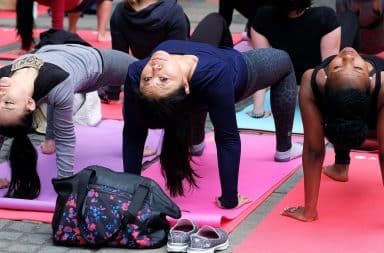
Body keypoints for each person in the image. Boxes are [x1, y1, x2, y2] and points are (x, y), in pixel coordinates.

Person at [122, 31, 302, 208]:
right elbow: (227, 139)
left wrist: (129, 191)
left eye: (148, 79)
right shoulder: (216, 72)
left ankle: (196, 143)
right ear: (185, 86)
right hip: (235, 73)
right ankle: (284, 149)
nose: (155, 69)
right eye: (162, 79)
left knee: (217, 22)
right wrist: (230, 199)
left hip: (204, 81)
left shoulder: (136, 73)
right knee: (284, 60)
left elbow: (132, 132)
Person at [0, 44, 136, 199]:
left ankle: (50, 139)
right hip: (96, 65)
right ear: (30, 103)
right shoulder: (57, 83)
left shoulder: (3, 81)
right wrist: (65, 186)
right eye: (8, 103)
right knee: (142, 72)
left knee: (56, 94)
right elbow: (65, 138)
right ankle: (136, 142)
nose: (2, 96)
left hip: (61, 54)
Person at [281, 47, 384, 221]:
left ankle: (350, 154)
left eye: (358, 68)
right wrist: (309, 211)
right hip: (335, 114)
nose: (347, 57)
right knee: (341, 118)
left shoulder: (382, 84)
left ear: (371, 79)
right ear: (325, 78)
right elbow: (314, 150)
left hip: (374, 113)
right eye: (337, 67)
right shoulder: (312, 80)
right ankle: (340, 166)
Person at [246, 0, 341, 118]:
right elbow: (328, 69)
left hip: (285, 83)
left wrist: (258, 109)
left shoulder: (263, 16)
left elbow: (261, 66)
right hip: (311, 83)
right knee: (350, 19)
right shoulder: (325, 16)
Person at [101, 0, 190, 102]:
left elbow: (119, 57)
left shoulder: (120, 12)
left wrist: (113, 92)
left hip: (145, 77)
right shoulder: (174, 11)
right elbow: (178, 57)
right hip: (170, 80)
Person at [16, 0, 113, 52]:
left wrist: (25, 45)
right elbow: (57, 28)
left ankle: (72, 30)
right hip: (72, 4)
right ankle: (101, 34)